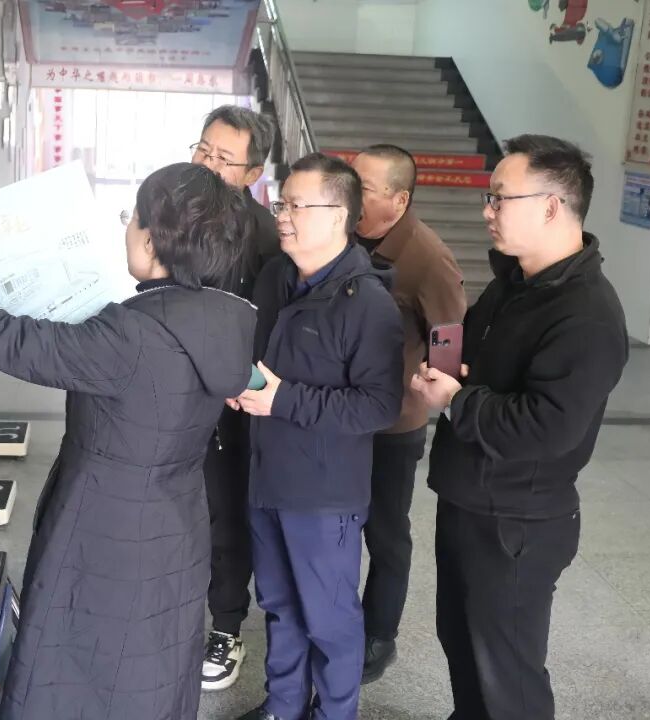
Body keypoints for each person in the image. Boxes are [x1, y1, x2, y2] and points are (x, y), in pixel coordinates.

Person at [0, 163, 259, 720]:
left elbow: (7, 339)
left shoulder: (132, 335)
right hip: (175, 520)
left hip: (105, 527)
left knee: (81, 660)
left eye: (133, 217)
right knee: (152, 657)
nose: (128, 228)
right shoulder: (223, 319)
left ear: (152, 240)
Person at [409, 134, 629, 720]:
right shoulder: (517, 283)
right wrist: (459, 374)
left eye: (499, 197)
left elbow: (546, 427)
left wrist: (457, 400)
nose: (488, 210)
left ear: (552, 206)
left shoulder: (586, 313)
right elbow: (496, 370)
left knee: (507, 673)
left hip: (516, 521)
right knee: (463, 642)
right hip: (470, 498)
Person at [231, 153, 405, 720]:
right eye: (281, 204)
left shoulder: (368, 304)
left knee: (329, 620)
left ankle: (334, 713)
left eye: (296, 206)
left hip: (323, 494)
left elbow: (379, 405)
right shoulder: (276, 279)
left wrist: (282, 399)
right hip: (267, 476)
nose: (282, 216)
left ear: (338, 216)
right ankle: (284, 707)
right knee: (279, 605)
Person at [350, 144, 466, 682]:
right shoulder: (346, 234)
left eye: (364, 189)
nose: (351, 195)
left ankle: (380, 633)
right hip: (339, 412)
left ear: (399, 200)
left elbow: (448, 339)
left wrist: (429, 384)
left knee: (385, 531)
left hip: (392, 422)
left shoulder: (426, 255)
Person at [190, 105, 281, 691]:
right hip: (173, 391)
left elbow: (267, 327)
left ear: (252, 174)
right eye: (203, 149)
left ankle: (226, 627)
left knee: (225, 515)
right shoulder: (173, 211)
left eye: (224, 159)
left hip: (230, 403)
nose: (207, 164)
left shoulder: (266, 237)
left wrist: (238, 380)